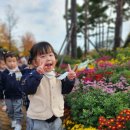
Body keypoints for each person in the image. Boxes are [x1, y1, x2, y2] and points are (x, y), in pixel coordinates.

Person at [21, 41, 76, 130]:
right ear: (35, 62)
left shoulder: (57, 76)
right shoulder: (31, 76)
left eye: (51, 55)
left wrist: (69, 80)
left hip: (56, 119)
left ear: (56, 59)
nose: (48, 58)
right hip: (38, 120)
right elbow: (28, 89)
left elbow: (65, 90)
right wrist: (37, 74)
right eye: (43, 56)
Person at [0, 51, 23, 130]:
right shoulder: (4, 73)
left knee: (17, 110)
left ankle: (18, 123)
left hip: (18, 95)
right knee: (10, 110)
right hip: (8, 96)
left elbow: (20, 82)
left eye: (14, 61)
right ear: (5, 62)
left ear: (16, 61)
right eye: (9, 61)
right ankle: (13, 119)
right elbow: (2, 84)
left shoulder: (18, 71)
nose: (12, 63)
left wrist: (22, 91)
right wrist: (2, 96)